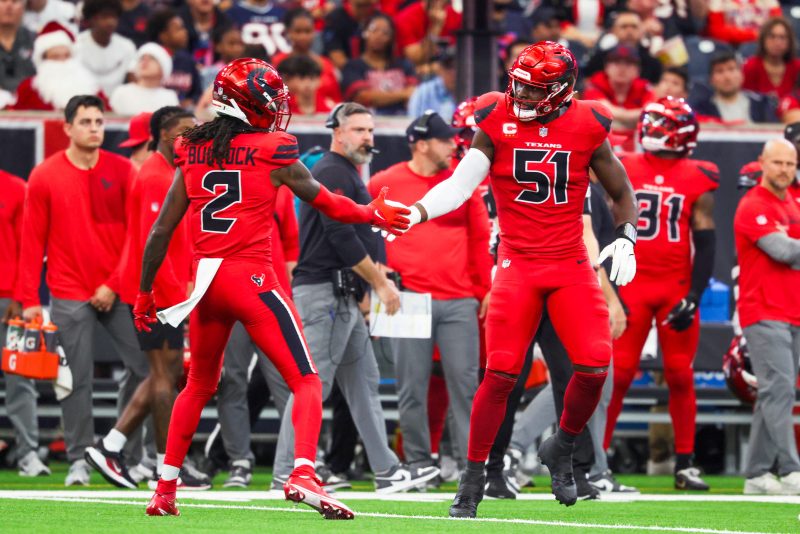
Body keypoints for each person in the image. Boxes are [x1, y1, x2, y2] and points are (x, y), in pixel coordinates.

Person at [136, 59, 409, 519]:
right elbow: (328, 203)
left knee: (198, 385)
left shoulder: (192, 148)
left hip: (206, 285)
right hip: (251, 279)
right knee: (306, 380)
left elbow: (161, 230)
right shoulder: (272, 149)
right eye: (269, 101)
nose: (277, 109)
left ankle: (164, 490)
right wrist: (371, 213)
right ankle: (302, 473)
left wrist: (144, 294)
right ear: (247, 105)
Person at [396, 41, 638, 517]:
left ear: (562, 90)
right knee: (502, 371)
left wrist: (627, 236)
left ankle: (561, 447)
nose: (521, 95)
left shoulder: (588, 122)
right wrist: (417, 211)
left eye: (534, 89)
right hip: (518, 264)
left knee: (595, 365)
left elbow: (621, 190)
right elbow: (460, 185)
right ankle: (473, 478)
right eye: (519, 85)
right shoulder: (495, 116)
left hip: (569, 263)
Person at [270, 102, 441, 494]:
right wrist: (379, 283)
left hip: (341, 294)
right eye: (359, 130)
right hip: (325, 293)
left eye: (370, 130)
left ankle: (386, 470)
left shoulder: (344, 171)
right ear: (338, 132)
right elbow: (340, 235)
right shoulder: (332, 170)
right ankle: (284, 472)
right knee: (312, 383)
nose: (367, 137)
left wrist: (370, 280)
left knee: (364, 383)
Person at [14, 95, 149, 487]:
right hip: (68, 288)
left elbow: (137, 237)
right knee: (74, 378)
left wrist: (114, 283)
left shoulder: (124, 171)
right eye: (86, 122)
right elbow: (31, 243)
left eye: (99, 122)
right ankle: (78, 460)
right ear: (67, 128)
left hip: (118, 288)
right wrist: (29, 300)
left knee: (145, 369)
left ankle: (122, 454)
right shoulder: (45, 175)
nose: (94, 128)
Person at [84, 106, 209, 491]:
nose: (194, 137)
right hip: (160, 295)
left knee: (162, 375)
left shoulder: (166, 173)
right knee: (164, 378)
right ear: (167, 135)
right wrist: (176, 292)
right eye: (187, 131)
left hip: (163, 292)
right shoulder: (156, 178)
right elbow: (153, 243)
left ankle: (112, 445)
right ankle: (164, 466)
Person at [602, 97, 718, 491]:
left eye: (660, 122)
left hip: (674, 286)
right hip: (630, 282)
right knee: (618, 375)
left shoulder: (698, 175)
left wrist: (696, 294)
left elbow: (706, 241)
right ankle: (596, 461)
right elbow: (603, 222)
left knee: (680, 374)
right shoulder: (624, 163)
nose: (651, 127)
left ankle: (684, 464)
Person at [367, 111, 491, 478]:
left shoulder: (460, 184)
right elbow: (365, 232)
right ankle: (419, 464)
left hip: (458, 299)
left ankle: (471, 467)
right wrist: (376, 277)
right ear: (421, 144)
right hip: (406, 298)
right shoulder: (383, 183)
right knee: (411, 389)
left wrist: (485, 290)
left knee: (465, 387)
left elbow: (479, 238)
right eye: (445, 139)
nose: (454, 145)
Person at [734, 137, 800, 495]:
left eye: (790, 164)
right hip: (764, 310)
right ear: (762, 162)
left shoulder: (792, 203)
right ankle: (790, 469)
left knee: (774, 393)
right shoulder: (753, 204)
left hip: (792, 311)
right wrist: (790, 245)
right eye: (778, 163)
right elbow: (783, 250)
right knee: (780, 389)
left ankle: (757, 475)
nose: (784, 170)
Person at [0, 170, 50, 478]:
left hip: (8, 300)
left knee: (20, 378)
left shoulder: (17, 188)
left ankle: (28, 454)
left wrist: (21, 295)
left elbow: (29, 247)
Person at [8, 21, 102, 111]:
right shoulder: (28, 89)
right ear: (43, 60)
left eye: (67, 56)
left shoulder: (91, 87)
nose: (63, 62)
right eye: (55, 57)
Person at [341, 13, 417, 116]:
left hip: (402, 119)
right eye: (374, 30)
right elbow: (363, 97)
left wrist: (379, 97)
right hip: (365, 121)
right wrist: (403, 94)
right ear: (364, 33)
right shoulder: (352, 66)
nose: (379, 36)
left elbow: (414, 94)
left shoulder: (404, 65)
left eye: (385, 32)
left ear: (391, 37)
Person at [582, 43, 655, 150]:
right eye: (616, 62)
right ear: (606, 67)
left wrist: (616, 120)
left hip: (638, 146)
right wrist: (635, 121)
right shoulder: (596, 83)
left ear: (638, 70)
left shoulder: (644, 87)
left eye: (629, 64)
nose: (622, 69)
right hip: (602, 146)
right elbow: (604, 112)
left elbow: (651, 113)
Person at [272, 8, 342, 106]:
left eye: (308, 31)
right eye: (298, 31)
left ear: (314, 32)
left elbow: (336, 100)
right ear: (288, 32)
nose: (303, 37)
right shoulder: (277, 62)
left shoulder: (326, 64)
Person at [689, 51, 778, 124]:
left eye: (731, 69)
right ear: (711, 80)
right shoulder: (702, 109)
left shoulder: (761, 104)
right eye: (720, 71)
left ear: (741, 75)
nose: (727, 77)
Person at [73, 0, 136, 97]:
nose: (110, 22)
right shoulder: (75, 45)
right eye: (104, 16)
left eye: (114, 17)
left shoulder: (127, 46)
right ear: (91, 19)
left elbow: (134, 83)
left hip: (116, 102)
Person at [146, 8, 202, 108]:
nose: (185, 32)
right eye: (178, 29)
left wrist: (190, 101)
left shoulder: (187, 60)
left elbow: (197, 93)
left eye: (183, 28)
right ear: (163, 36)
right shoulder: (150, 59)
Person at [110, 43, 179, 116]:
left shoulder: (169, 97)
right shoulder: (121, 92)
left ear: (163, 67)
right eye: (142, 58)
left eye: (152, 58)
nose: (145, 61)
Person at [742, 17, 800, 100]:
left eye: (782, 37)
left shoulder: (797, 67)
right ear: (763, 40)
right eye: (772, 37)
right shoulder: (750, 67)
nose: (777, 42)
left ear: (789, 42)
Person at [321, 0, 378, 70]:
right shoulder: (335, 18)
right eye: (360, 6)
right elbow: (338, 59)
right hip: (341, 70)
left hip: (373, 70)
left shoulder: (379, 19)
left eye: (366, 5)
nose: (363, 9)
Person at [0, 0, 36, 99]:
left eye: (14, 1)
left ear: (24, 7)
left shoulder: (37, 41)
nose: (9, 6)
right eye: (3, 1)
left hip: (30, 102)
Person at [407, 49, 457, 119]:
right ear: (440, 69)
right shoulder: (424, 91)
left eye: (457, 67)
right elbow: (413, 121)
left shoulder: (470, 89)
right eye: (448, 67)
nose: (453, 72)